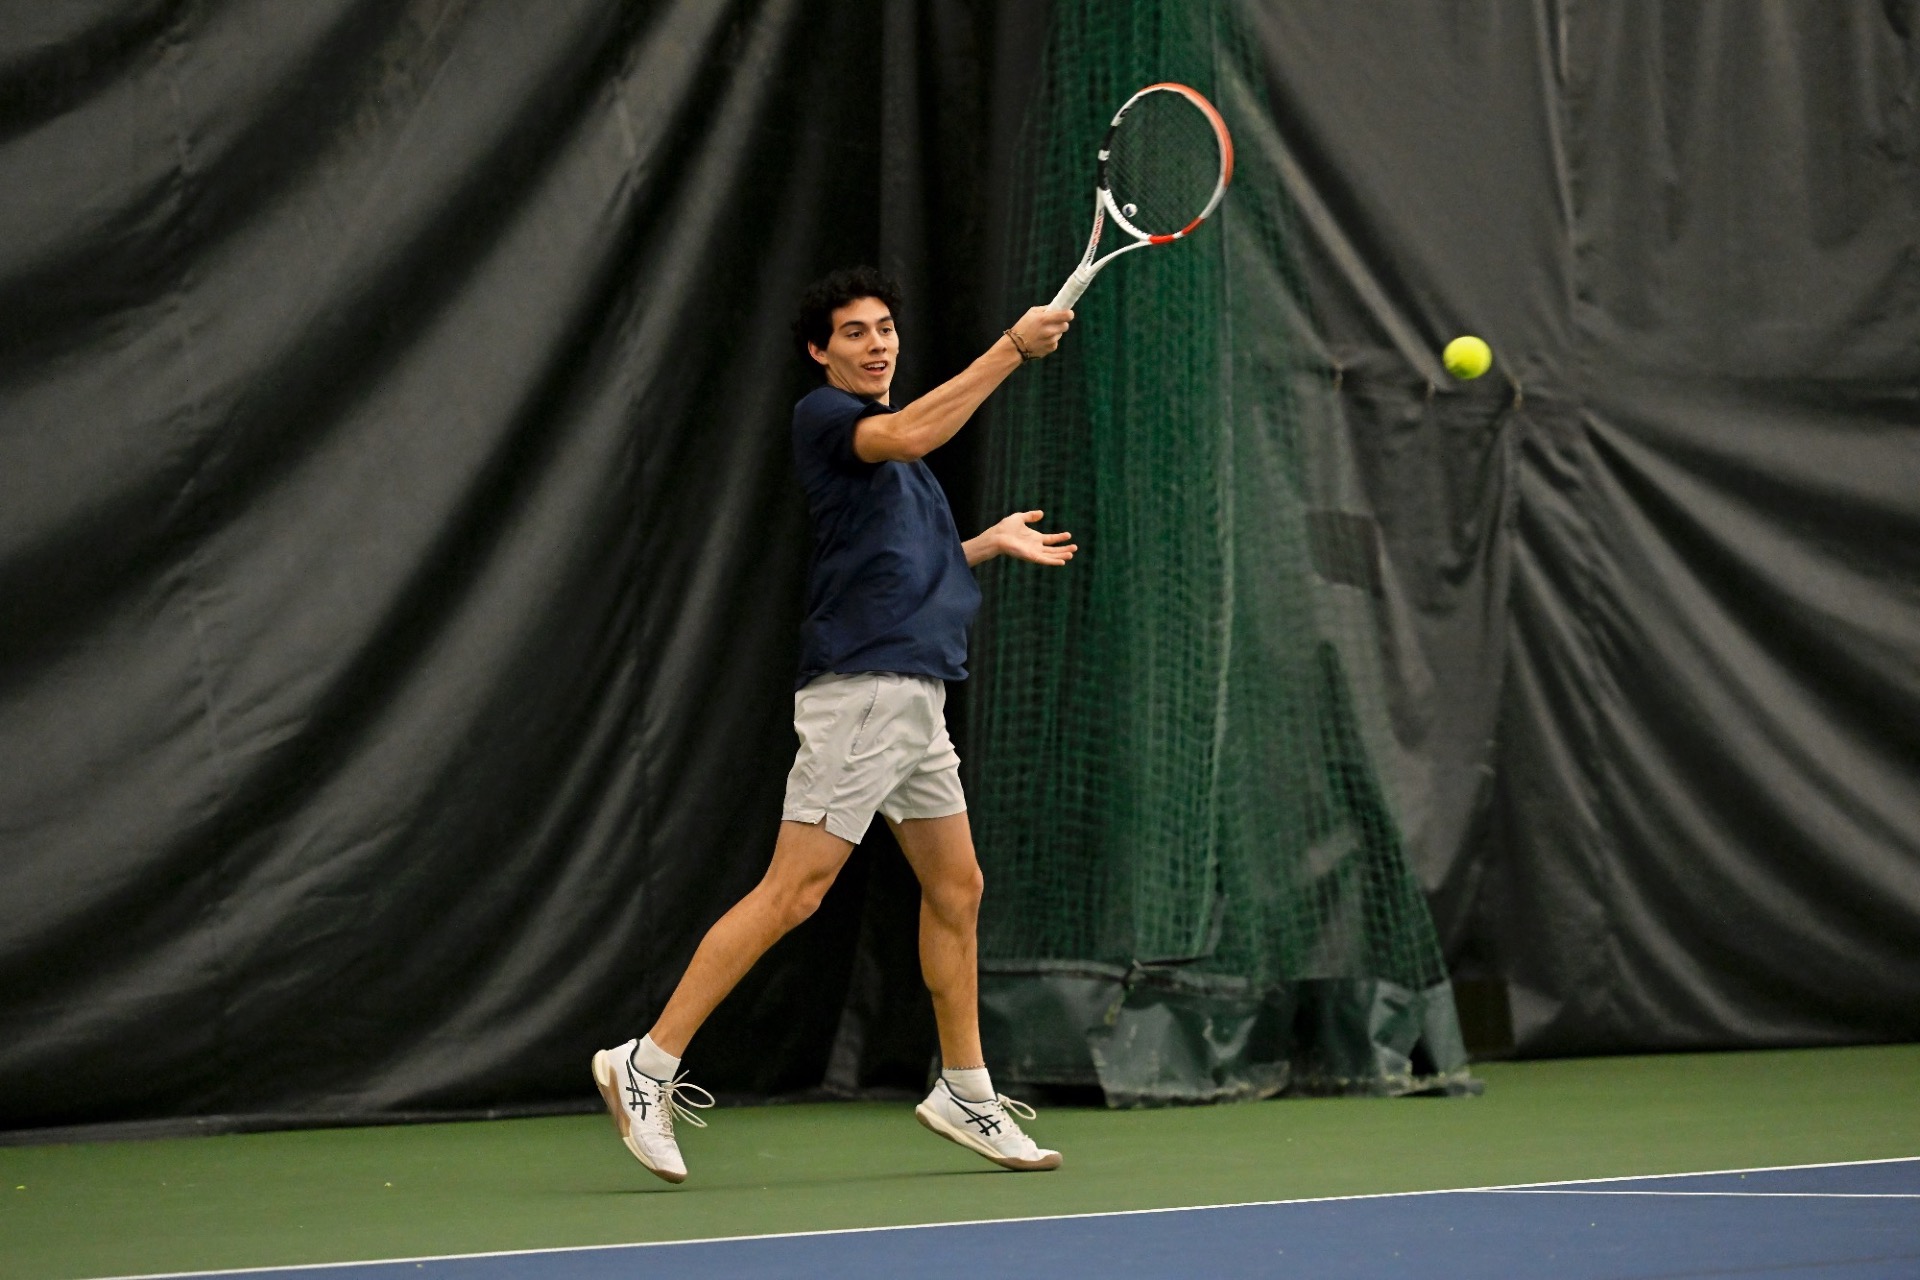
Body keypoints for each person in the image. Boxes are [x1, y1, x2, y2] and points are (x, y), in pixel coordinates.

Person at [592, 266, 1076, 1184]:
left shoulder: (908, 477)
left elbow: (905, 571)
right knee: (795, 893)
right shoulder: (831, 418)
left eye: (886, 327)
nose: (877, 342)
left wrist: (985, 543)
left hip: (915, 700)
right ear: (822, 352)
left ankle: (965, 1091)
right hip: (861, 697)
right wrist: (1012, 347)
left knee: (957, 888)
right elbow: (912, 428)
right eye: (854, 332)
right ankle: (646, 1065)